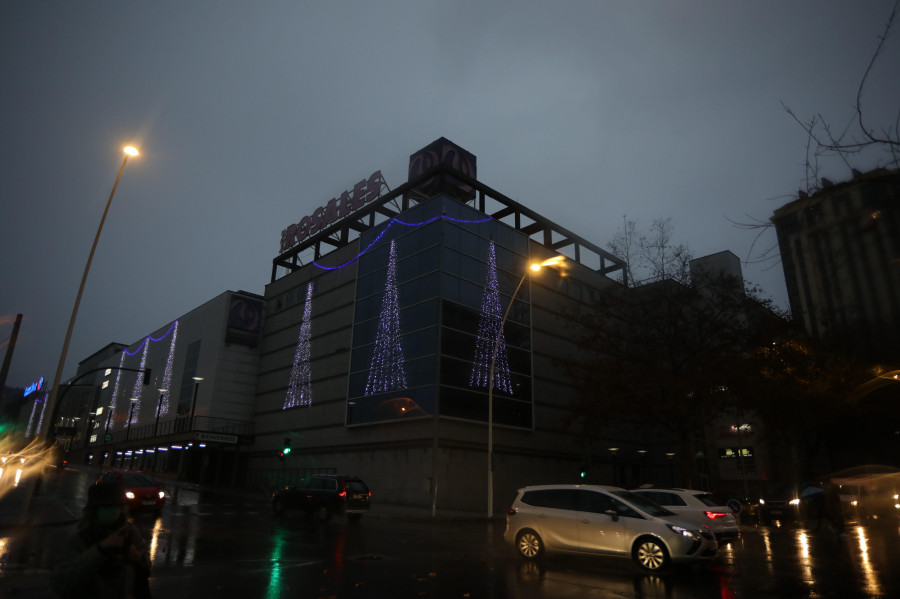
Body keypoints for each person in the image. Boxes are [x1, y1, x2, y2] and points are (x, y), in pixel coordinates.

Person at [51, 481, 152, 599]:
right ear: (94, 510)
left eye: (117, 506)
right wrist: (100, 549)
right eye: (107, 507)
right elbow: (63, 585)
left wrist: (139, 559)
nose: (113, 511)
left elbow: (146, 569)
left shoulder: (129, 533)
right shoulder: (79, 538)